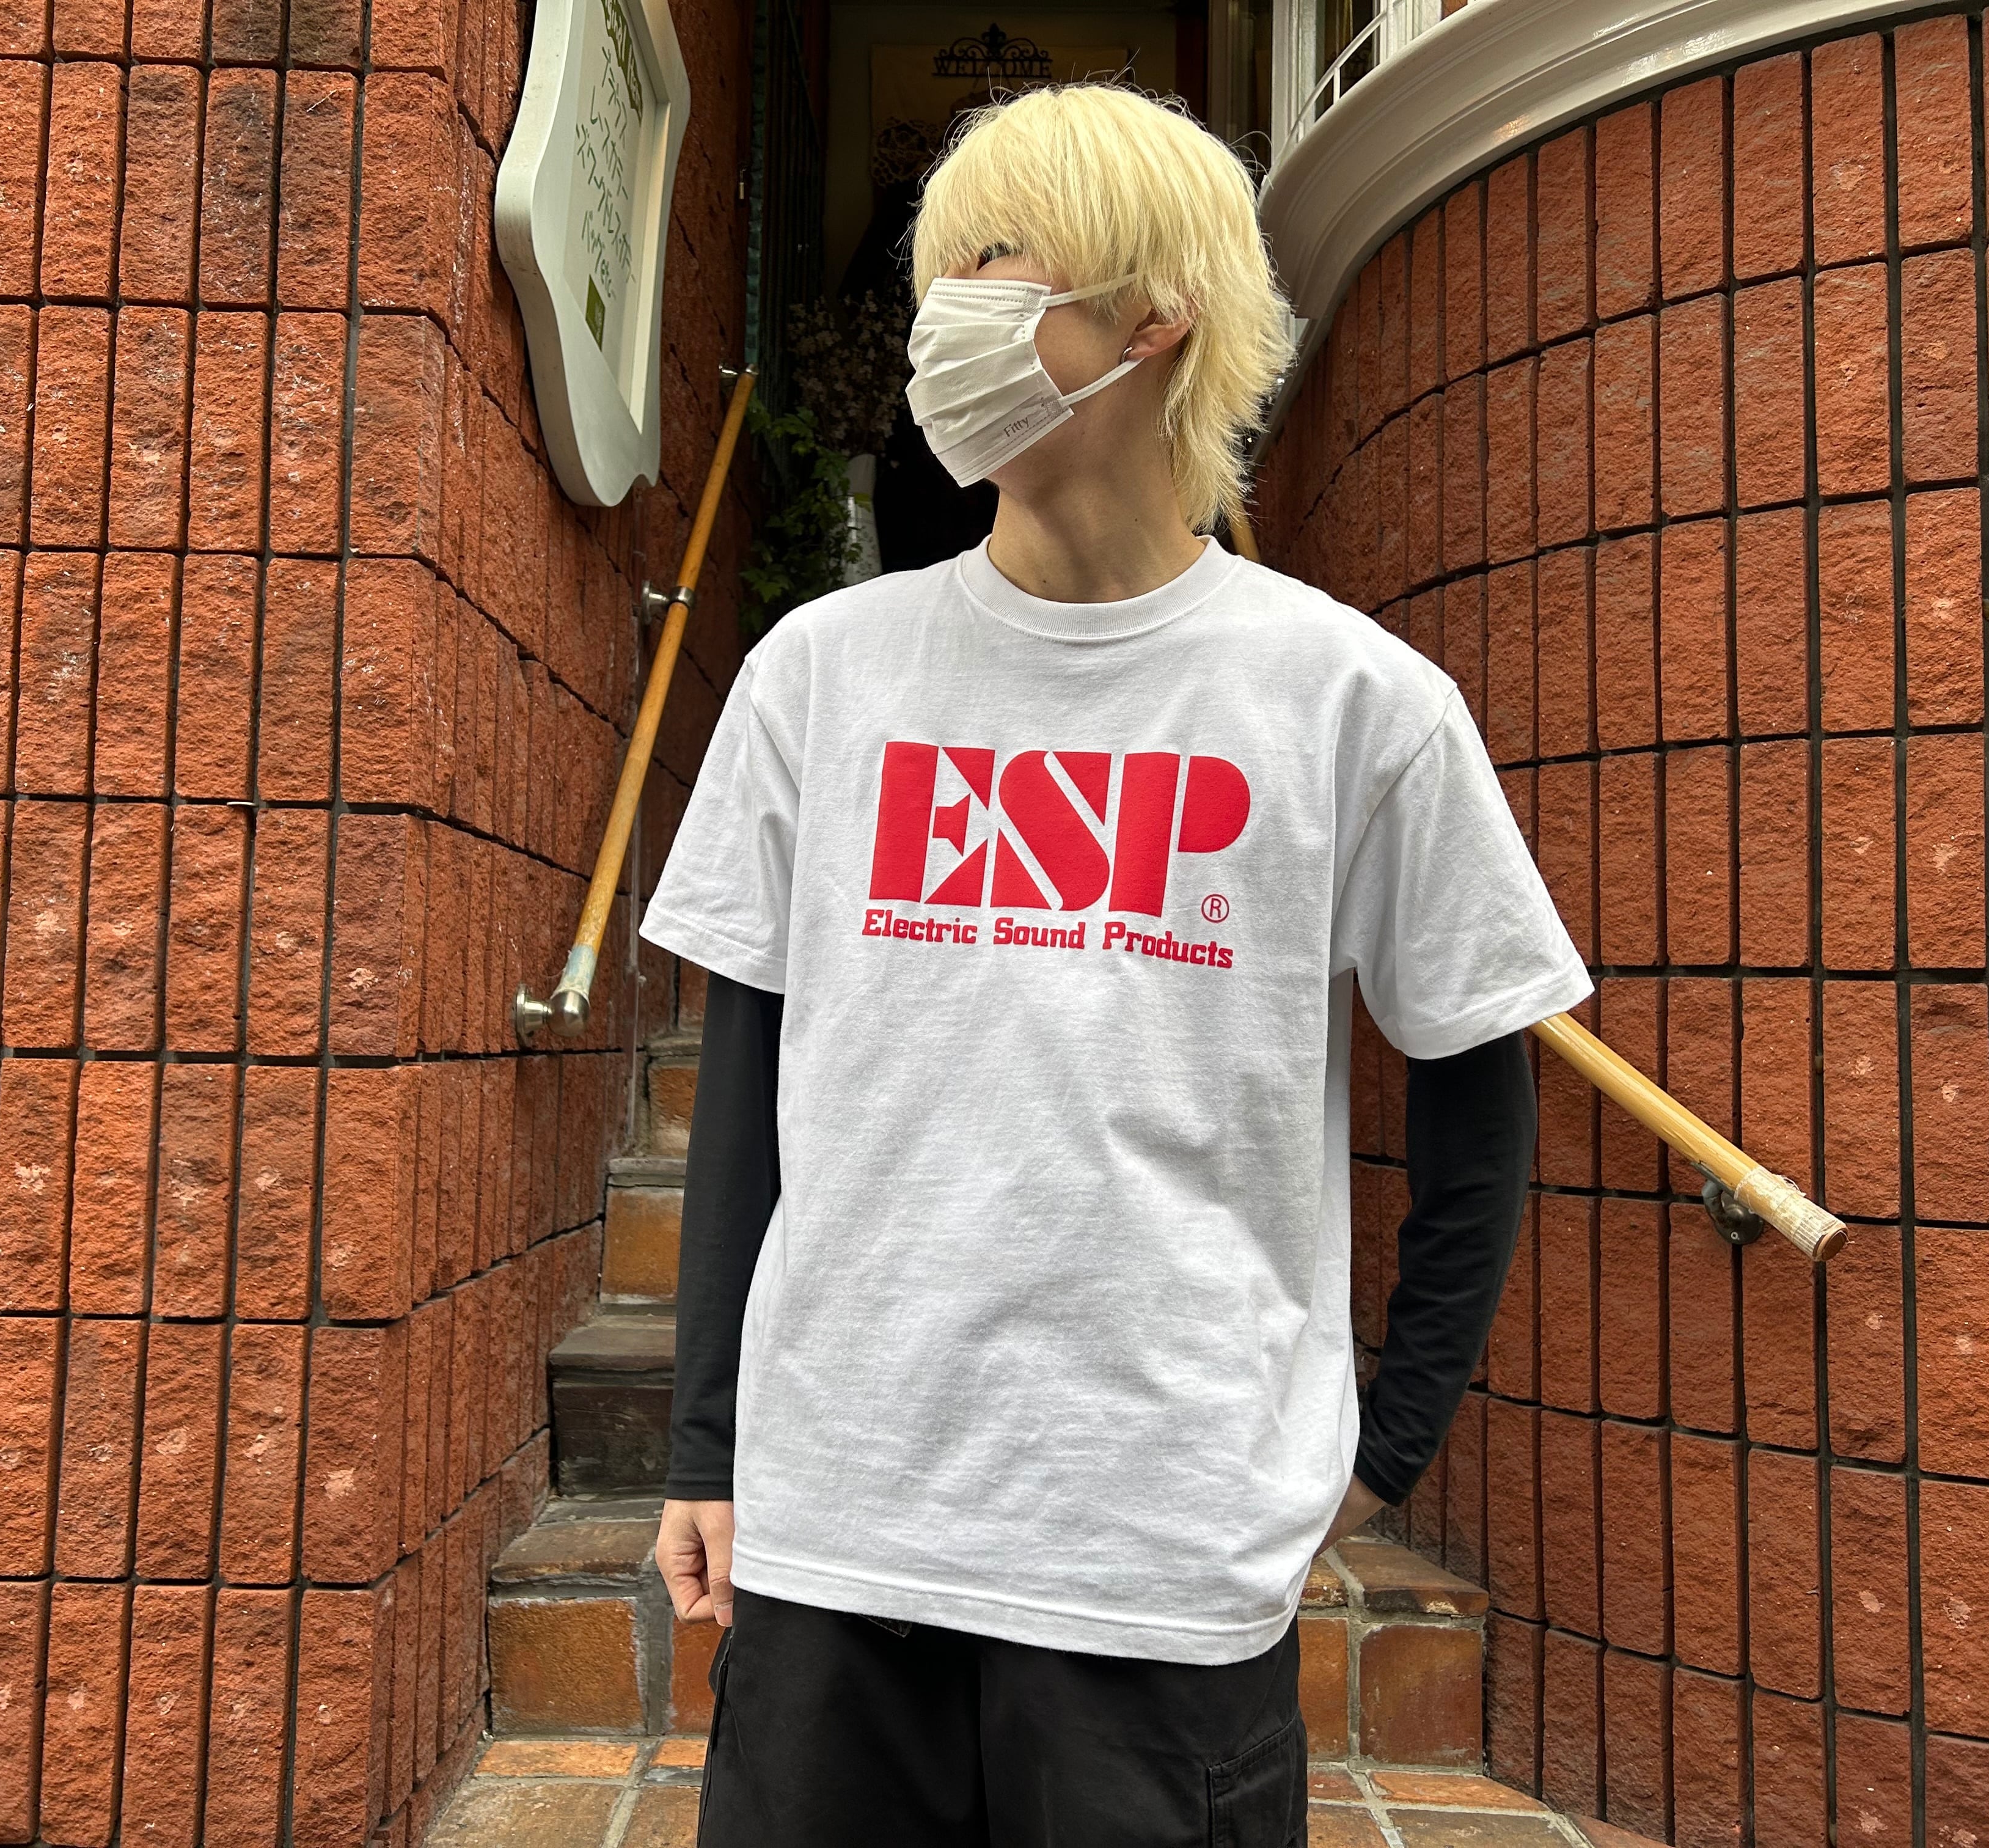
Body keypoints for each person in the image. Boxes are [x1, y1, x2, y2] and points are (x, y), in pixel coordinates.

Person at [634, 82, 1590, 1846]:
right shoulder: (820, 675)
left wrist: (1384, 1450)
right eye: (938, 272)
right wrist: (708, 1444)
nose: (942, 315)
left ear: (1158, 314)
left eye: (995, 260)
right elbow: (749, 1082)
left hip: (1160, 1554)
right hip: (843, 1524)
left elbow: (1480, 1096)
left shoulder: (1354, 702)